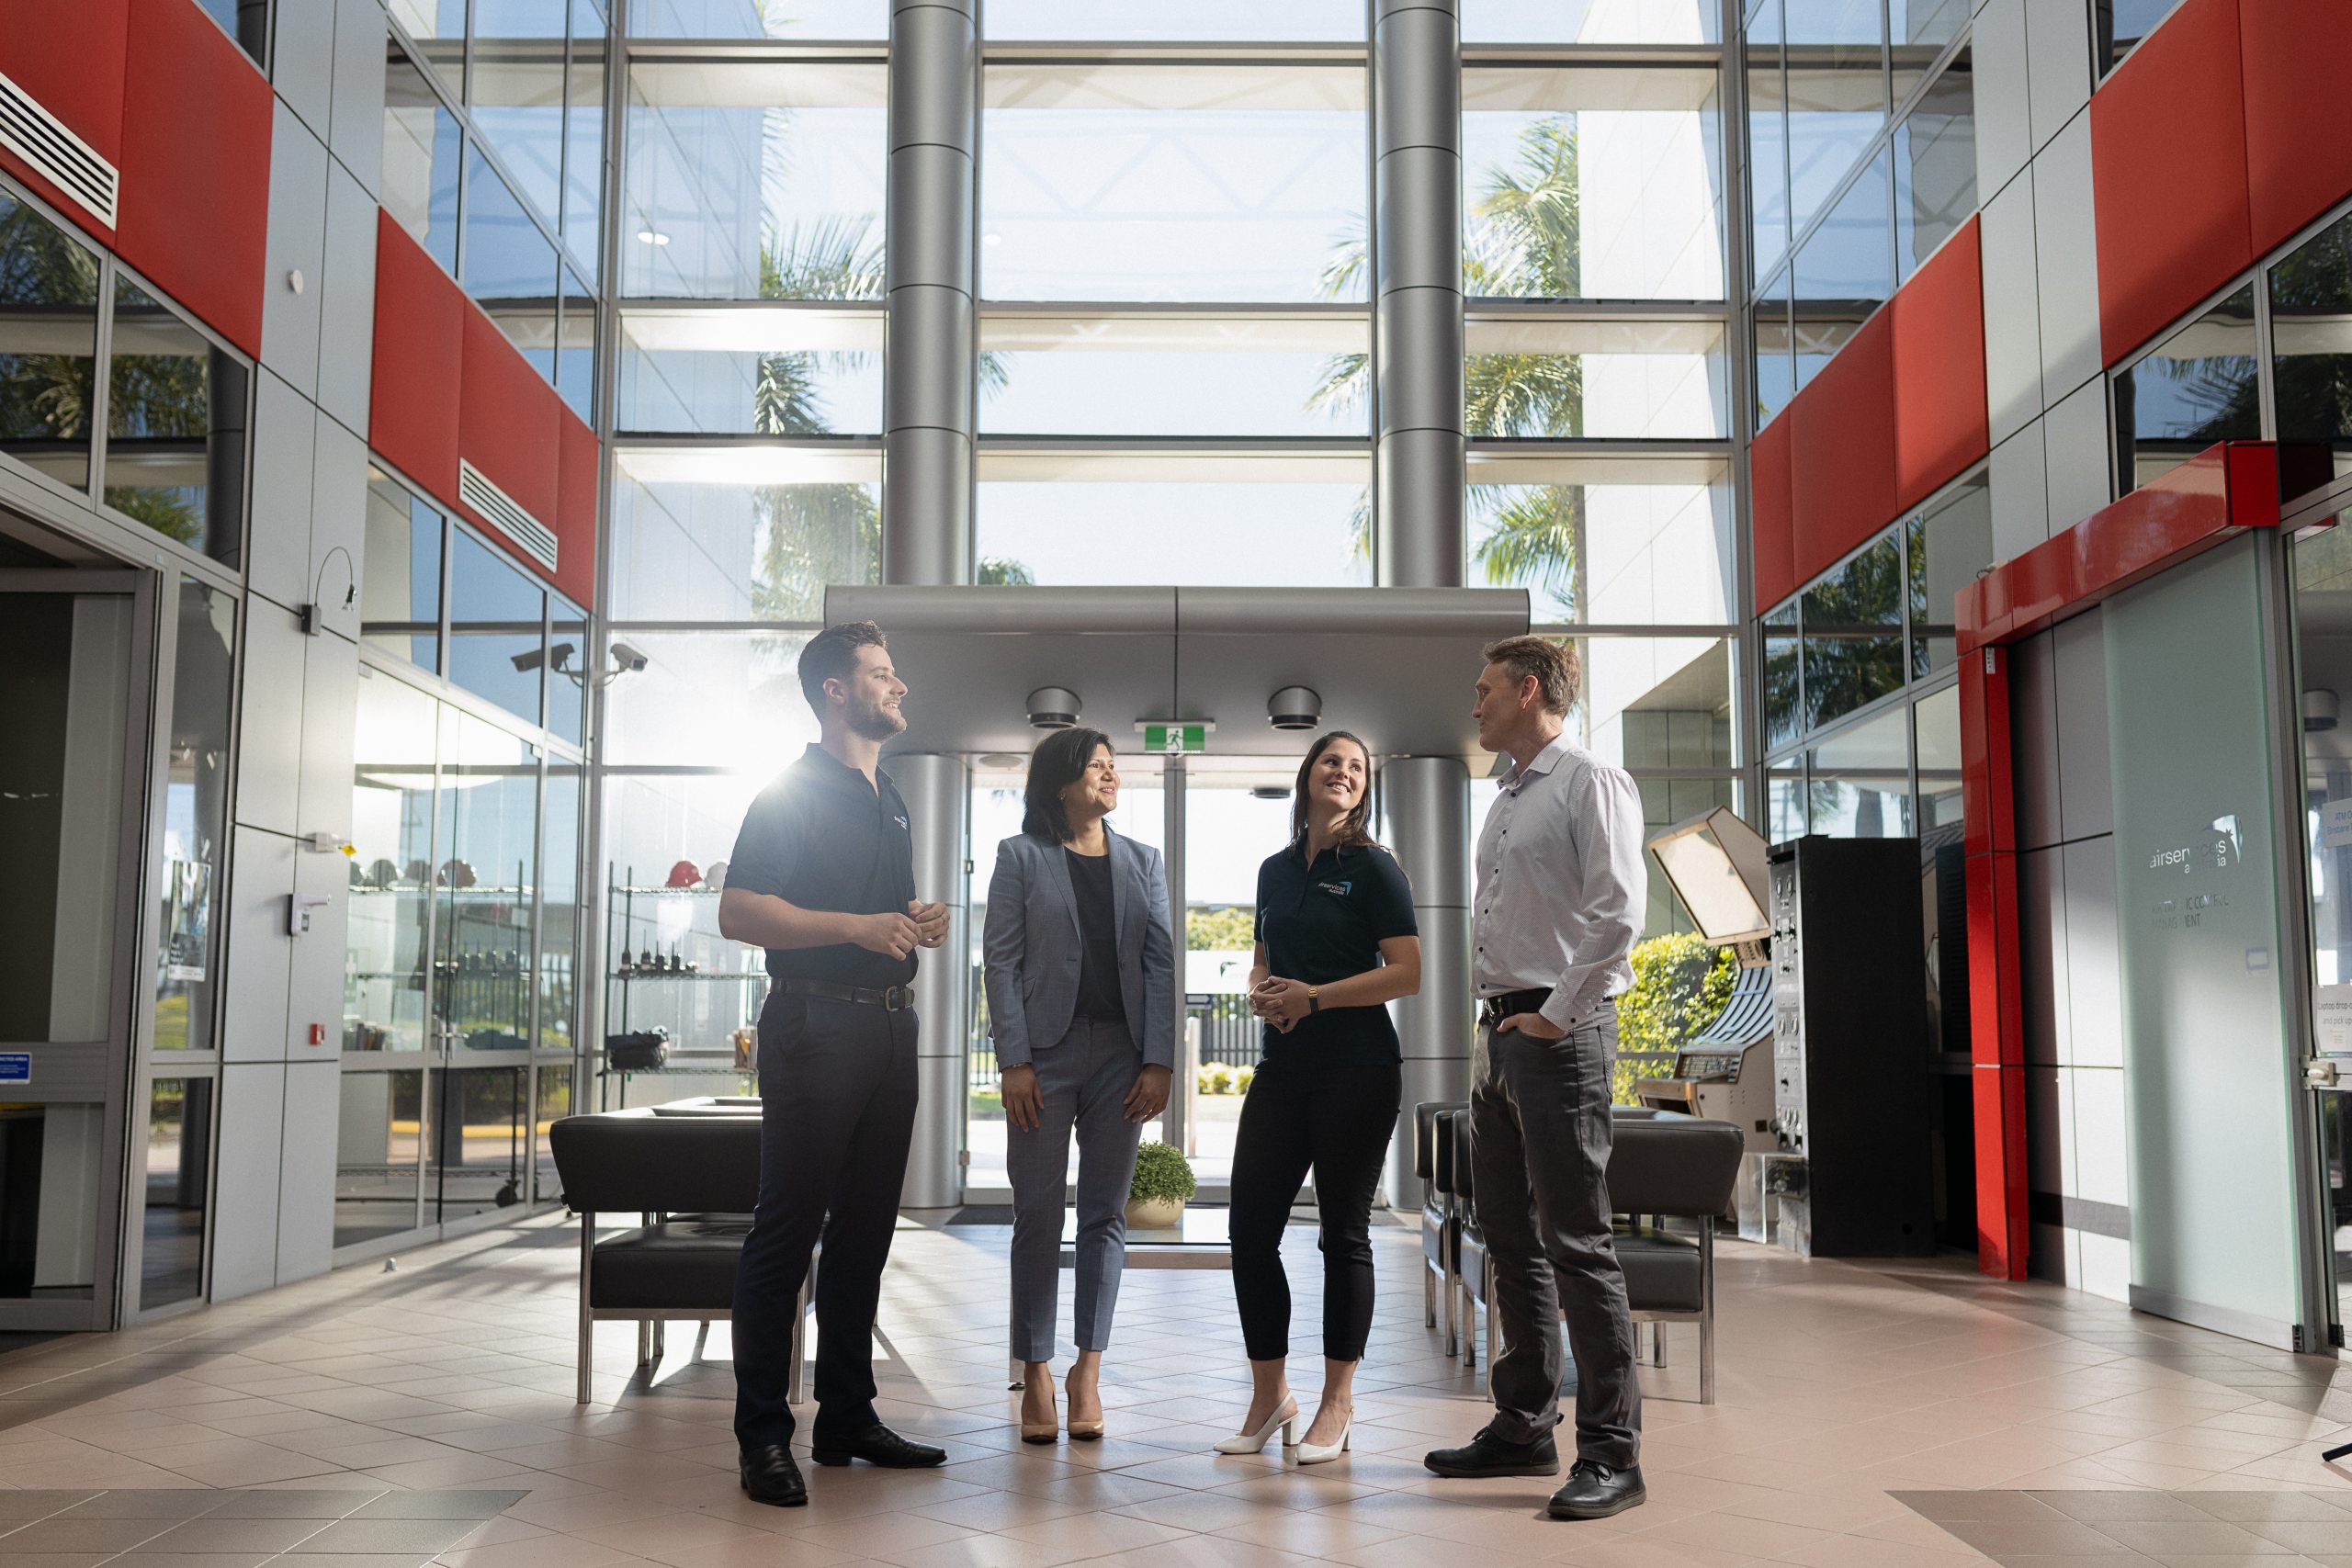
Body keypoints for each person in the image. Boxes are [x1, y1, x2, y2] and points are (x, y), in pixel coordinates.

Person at [719, 621, 953, 1508]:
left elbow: (876, 916)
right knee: (787, 1231)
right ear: (835, 691)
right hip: (815, 1025)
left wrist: (909, 923)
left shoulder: (888, 794)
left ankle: (847, 1415)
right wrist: (857, 928)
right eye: (881, 674)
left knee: (865, 1235)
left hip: (892, 1031)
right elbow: (740, 910)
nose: (897, 686)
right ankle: (761, 1437)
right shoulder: (792, 790)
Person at [1424, 636, 1647, 1521]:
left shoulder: (1590, 781)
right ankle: (1524, 1422)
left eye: (1483, 690)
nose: (1473, 705)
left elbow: (1617, 913)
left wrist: (1553, 1013)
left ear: (1527, 690)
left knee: (1578, 1244)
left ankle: (1613, 1454)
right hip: (1503, 1034)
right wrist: (1510, 1026)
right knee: (1508, 1239)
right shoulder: (1509, 798)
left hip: (1559, 1033)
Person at [1216, 731, 1421, 1466]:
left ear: (1365, 790)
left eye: (1357, 767)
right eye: (1332, 761)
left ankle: (1338, 1403)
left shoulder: (1374, 868)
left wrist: (1315, 997)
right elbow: (1262, 960)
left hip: (1358, 1070)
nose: (1343, 772)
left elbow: (1407, 972)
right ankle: (1270, 1395)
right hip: (1282, 1069)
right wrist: (1262, 995)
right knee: (1248, 1233)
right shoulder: (1274, 871)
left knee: (1344, 1235)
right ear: (1308, 776)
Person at [983, 729, 1175, 1444]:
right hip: (1044, 1056)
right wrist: (1014, 1061)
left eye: (1112, 764)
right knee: (1037, 1213)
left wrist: (1159, 1060)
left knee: (1104, 1214)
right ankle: (1035, 1367)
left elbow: (1161, 965)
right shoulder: (1019, 857)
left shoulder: (1143, 861)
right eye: (1095, 765)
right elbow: (999, 963)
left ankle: (1086, 1369)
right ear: (1061, 782)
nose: (1110, 774)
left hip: (1121, 1060)